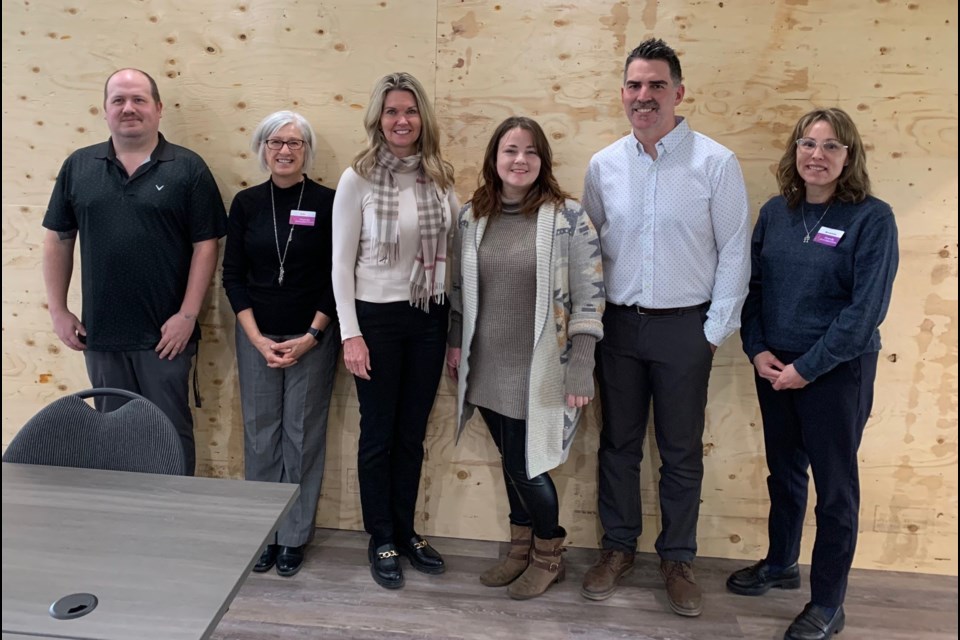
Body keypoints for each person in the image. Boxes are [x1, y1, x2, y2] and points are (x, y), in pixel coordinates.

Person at [580, 38, 751, 617]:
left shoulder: (715, 162)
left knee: (680, 453)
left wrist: (711, 332)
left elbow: (734, 252)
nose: (644, 96)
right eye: (634, 85)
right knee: (618, 447)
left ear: (679, 91)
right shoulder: (604, 165)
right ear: (622, 93)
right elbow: (588, 253)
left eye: (656, 85)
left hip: (686, 330)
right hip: (620, 331)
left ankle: (677, 559)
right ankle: (617, 548)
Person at [726, 108, 898, 640]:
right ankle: (780, 564)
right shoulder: (778, 213)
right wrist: (756, 351)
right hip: (774, 368)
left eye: (830, 146)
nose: (816, 155)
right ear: (794, 152)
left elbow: (865, 311)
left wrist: (809, 367)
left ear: (850, 156)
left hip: (836, 374)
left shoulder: (872, 218)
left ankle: (828, 602)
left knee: (836, 489)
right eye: (807, 143)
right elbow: (751, 291)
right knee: (784, 473)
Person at [447, 116, 605, 600]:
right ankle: (519, 550)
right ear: (495, 159)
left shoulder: (568, 218)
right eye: (510, 151)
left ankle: (548, 554)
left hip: (540, 369)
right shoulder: (472, 216)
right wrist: (456, 343)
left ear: (544, 161)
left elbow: (591, 298)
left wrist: (582, 363)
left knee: (528, 466)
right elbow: (458, 289)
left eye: (531, 152)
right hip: (486, 365)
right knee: (510, 461)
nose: (520, 160)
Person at [42, 68, 227, 476]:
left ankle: (173, 521)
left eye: (139, 100)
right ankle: (123, 529)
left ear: (158, 109)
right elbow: (58, 238)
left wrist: (187, 315)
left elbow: (206, 245)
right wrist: (58, 310)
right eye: (119, 100)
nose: (129, 108)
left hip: (166, 337)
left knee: (169, 433)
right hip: (102, 335)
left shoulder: (187, 168)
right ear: (104, 110)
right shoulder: (79, 166)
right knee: (113, 436)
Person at [331, 72, 458, 590]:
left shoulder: (441, 178)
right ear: (377, 120)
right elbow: (340, 266)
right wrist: (349, 334)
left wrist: (452, 334)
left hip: (428, 317)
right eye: (391, 112)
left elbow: (453, 261)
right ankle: (380, 535)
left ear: (421, 117)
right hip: (376, 321)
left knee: (412, 435)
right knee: (378, 435)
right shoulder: (356, 178)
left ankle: (407, 531)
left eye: (409, 111)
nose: (401, 120)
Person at [222, 110, 339, 578]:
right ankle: (263, 533)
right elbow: (232, 277)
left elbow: (338, 276)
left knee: (302, 437)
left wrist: (311, 336)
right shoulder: (246, 203)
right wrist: (255, 338)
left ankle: (292, 535)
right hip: (256, 335)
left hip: (312, 336)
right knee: (260, 434)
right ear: (262, 149)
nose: (285, 150)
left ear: (306, 150)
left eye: (295, 142)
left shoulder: (329, 202)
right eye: (275, 142)